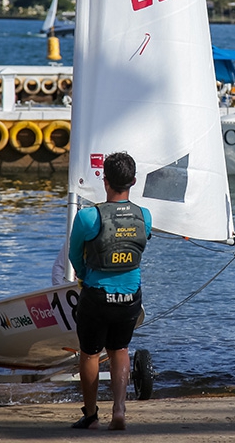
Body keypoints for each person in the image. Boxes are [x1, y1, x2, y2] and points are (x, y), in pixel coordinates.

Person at [68, 152, 152, 429]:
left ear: (104, 181)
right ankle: (119, 409)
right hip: (130, 297)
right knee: (120, 349)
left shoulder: (87, 217)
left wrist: (82, 275)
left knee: (90, 353)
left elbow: (74, 255)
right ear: (134, 181)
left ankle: (91, 415)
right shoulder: (145, 215)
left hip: (97, 295)